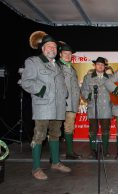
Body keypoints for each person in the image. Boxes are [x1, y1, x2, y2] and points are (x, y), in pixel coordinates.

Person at [21, 31, 71, 180]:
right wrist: (41, 90)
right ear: (42, 48)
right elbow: (26, 82)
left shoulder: (58, 66)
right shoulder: (33, 61)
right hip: (43, 106)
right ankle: (36, 168)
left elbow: (60, 84)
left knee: (56, 134)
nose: (52, 49)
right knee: (39, 135)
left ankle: (55, 162)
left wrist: (65, 93)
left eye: (55, 47)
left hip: (58, 106)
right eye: (49, 46)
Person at [81, 57, 112, 159]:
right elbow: (84, 90)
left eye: (102, 65)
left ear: (105, 67)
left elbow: (115, 92)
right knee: (93, 131)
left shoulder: (111, 77)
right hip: (93, 107)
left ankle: (105, 150)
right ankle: (93, 150)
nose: (100, 66)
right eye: (98, 64)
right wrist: (89, 96)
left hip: (106, 108)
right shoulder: (88, 77)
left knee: (106, 130)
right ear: (95, 65)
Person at [57, 41, 81, 159]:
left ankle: (69, 152)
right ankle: (54, 155)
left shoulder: (72, 68)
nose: (67, 56)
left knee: (69, 127)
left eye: (70, 54)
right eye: (65, 53)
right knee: (54, 128)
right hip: (59, 103)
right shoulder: (56, 66)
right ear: (60, 54)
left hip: (71, 103)